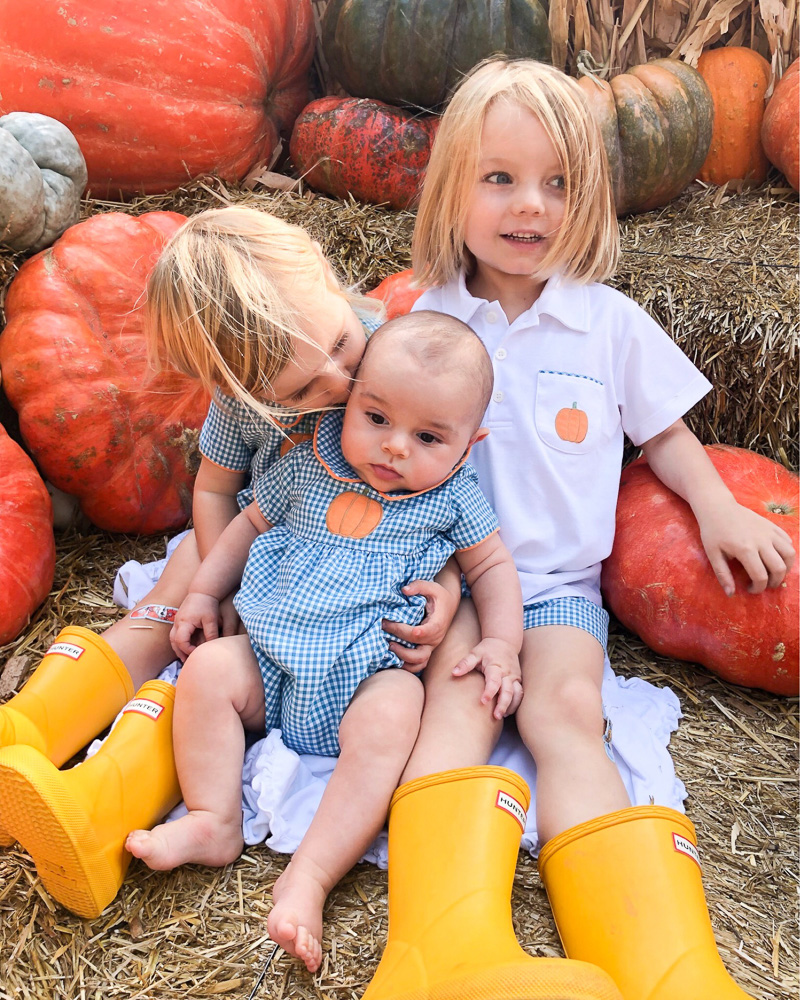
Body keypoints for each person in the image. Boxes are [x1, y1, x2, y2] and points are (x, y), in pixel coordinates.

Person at [362, 57, 796, 1000]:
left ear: (589, 195)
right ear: (453, 191)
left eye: (559, 183)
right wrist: (422, 585)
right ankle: (435, 951)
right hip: (451, 575)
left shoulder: (608, 325)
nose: (533, 206)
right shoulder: (426, 319)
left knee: (566, 714)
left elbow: (668, 435)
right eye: (501, 178)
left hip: (557, 585)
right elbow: (378, 456)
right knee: (456, 710)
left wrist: (716, 504)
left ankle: (662, 966)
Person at [0, 207, 461, 918]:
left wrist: (451, 591)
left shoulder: (394, 352)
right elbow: (215, 489)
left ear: (326, 271)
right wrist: (225, 583)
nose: (339, 381)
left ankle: (102, 797)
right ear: (234, 385)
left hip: (351, 577)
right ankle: (29, 729)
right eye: (304, 390)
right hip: (259, 545)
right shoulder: (243, 401)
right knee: (176, 606)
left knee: (195, 648)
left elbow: (452, 508)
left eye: (341, 345)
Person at [126, 312, 525, 974]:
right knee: (205, 674)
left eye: (428, 436)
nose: (395, 447)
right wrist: (200, 593)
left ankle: (308, 877)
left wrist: (504, 645)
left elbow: (493, 569)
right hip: (271, 657)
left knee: (395, 713)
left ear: (468, 445)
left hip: (366, 672)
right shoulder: (306, 462)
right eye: (375, 418)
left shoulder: (455, 496)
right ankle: (213, 817)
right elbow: (245, 526)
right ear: (354, 396)